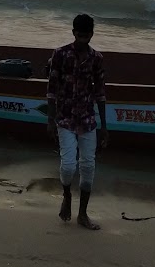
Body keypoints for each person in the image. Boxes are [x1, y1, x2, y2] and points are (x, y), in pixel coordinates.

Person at [45, 13, 108, 231]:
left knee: (89, 167)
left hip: (88, 120)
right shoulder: (60, 55)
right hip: (64, 118)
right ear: (73, 33)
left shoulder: (96, 58)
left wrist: (104, 127)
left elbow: (100, 93)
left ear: (92, 34)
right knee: (69, 165)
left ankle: (83, 214)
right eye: (79, 35)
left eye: (87, 36)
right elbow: (51, 91)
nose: (83, 40)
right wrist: (50, 121)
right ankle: (66, 195)